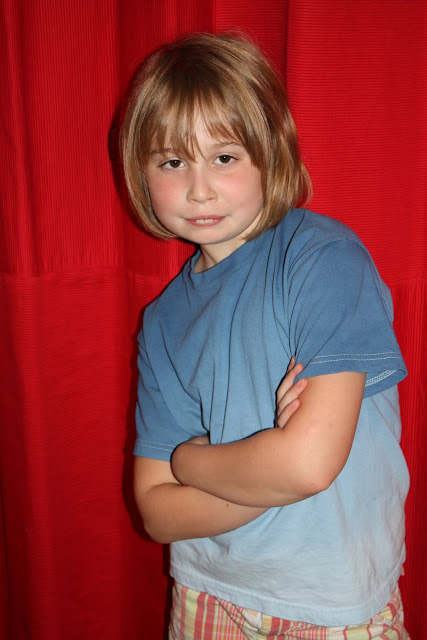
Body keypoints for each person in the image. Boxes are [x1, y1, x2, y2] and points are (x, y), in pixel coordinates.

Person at [120, 33, 410, 639]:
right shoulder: (163, 318)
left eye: (224, 157)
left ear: (271, 153)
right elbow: (157, 512)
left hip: (332, 602)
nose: (199, 188)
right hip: (207, 591)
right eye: (172, 162)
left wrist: (188, 459)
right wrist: (266, 465)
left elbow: (306, 465)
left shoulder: (322, 258)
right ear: (141, 174)